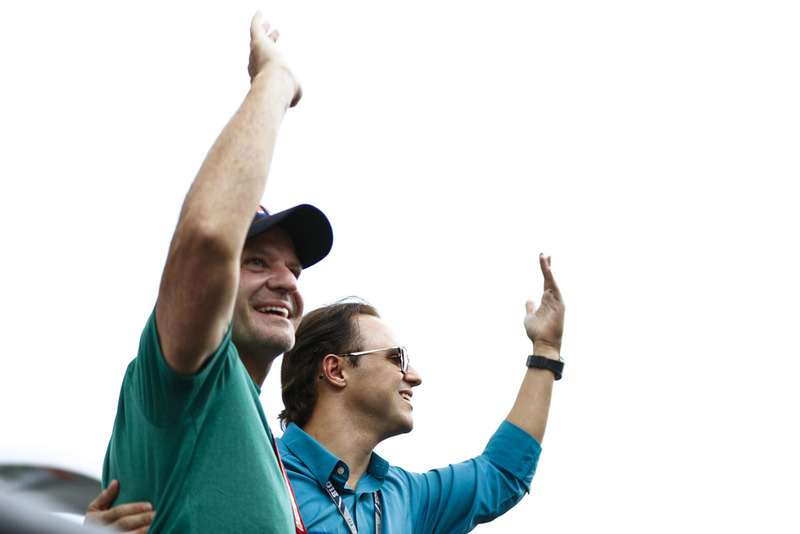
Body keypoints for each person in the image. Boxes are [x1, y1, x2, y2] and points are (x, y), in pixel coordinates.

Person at [95, 12, 332, 534]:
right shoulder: (191, 376)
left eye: (294, 269)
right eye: (256, 262)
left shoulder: (253, 429)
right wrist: (274, 82)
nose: (289, 282)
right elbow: (206, 238)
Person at [277, 252, 565, 533]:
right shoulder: (258, 468)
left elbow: (501, 471)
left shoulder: (407, 498)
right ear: (336, 371)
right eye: (396, 359)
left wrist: (546, 351)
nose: (415, 377)